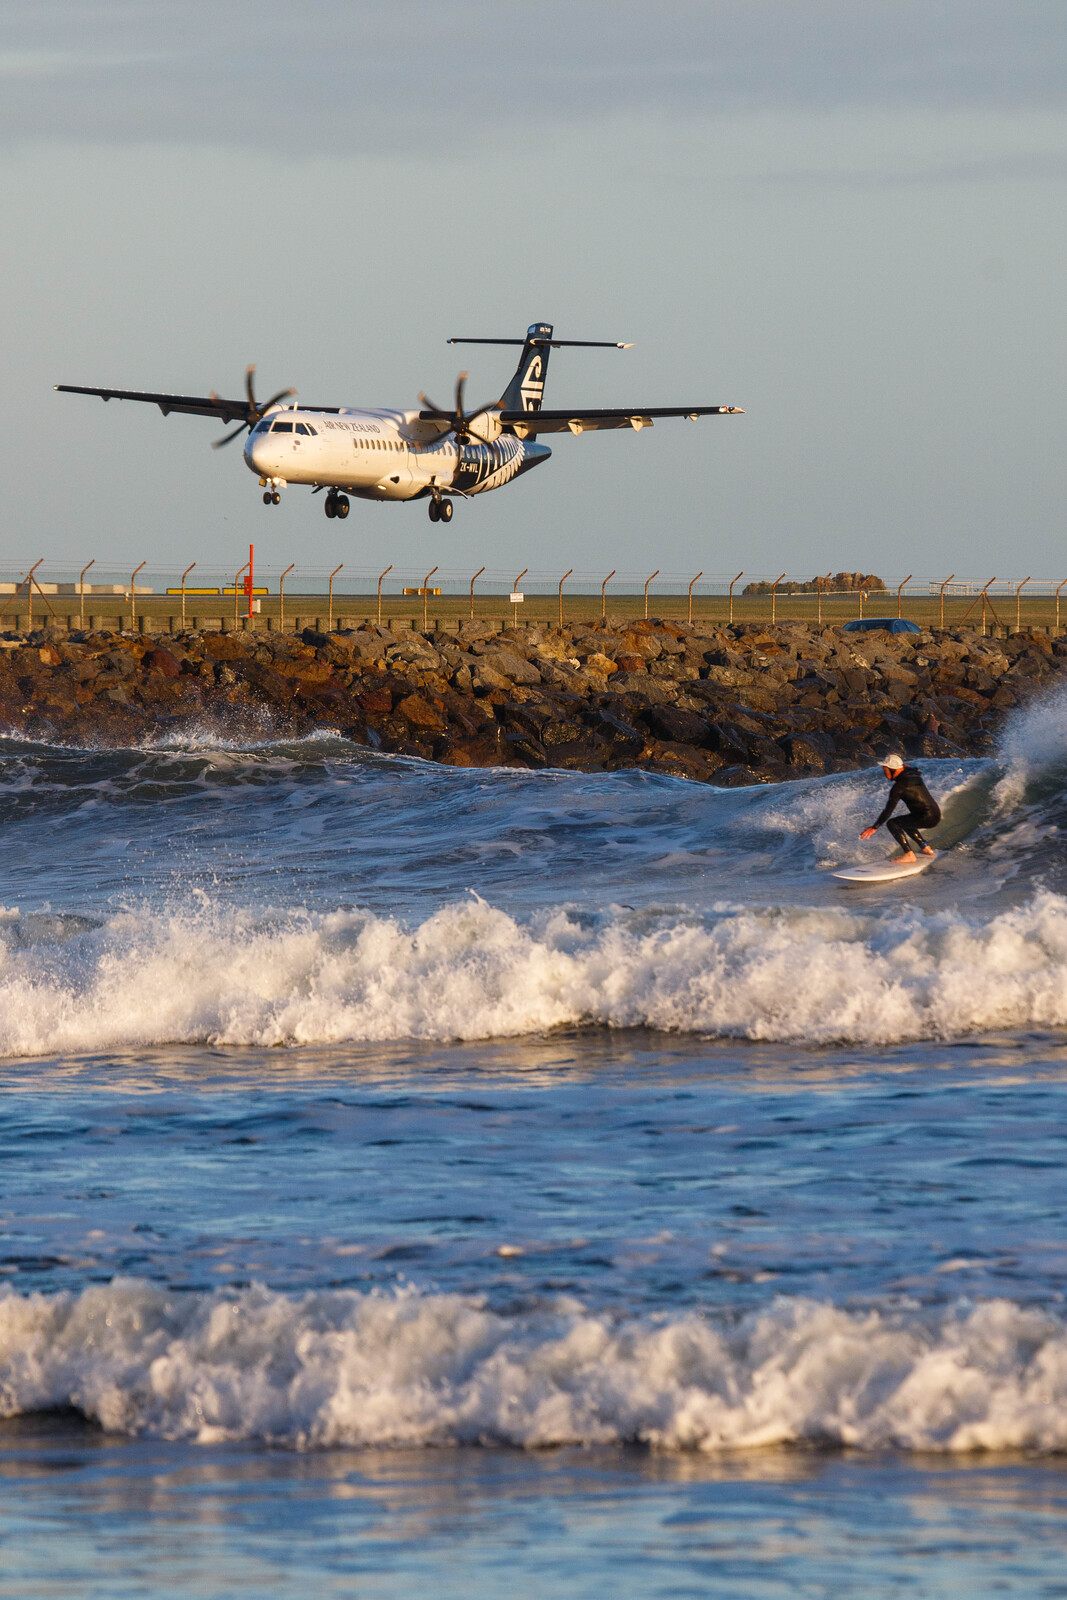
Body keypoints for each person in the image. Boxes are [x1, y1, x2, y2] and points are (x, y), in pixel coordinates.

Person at [860, 753, 941, 863]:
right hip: (935, 814)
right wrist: (902, 766)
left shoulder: (899, 787)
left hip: (926, 817)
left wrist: (875, 827)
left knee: (893, 823)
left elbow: (888, 810)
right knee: (906, 822)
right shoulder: (914, 774)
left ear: (892, 769)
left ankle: (909, 854)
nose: (884, 773)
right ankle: (926, 848)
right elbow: (910, 767)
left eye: (885, 770)